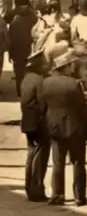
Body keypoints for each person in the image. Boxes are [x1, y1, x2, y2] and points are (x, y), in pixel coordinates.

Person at [40, 48, 87, 206]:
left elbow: (42, 108)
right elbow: (83, 109)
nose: (73, 68)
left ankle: (58, 194)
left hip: (55, 128)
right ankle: (79, 196)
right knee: (78, 163)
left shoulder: (46, 83)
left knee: (58, 163)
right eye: (71, 65)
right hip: (75, 129)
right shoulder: (74, 84)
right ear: (66, 67)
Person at [20, 51, 50, 202]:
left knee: (31, 155)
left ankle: (29, 187)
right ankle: (37, 190)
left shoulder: (26, 79)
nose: (46, 66)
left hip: (27, 122)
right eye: (44, 64)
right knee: (40, 157)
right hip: (38, 123)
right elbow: (43, 103)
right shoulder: (39, 81)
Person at [7, 0, 38, 97]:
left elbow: (10, 38)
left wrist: (10, 53)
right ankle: (30, 91)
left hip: (17, 50)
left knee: (19, 71)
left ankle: (20, 91)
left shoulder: (14, 22)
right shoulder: (34, 17)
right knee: (30, 70)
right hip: (31, 48)